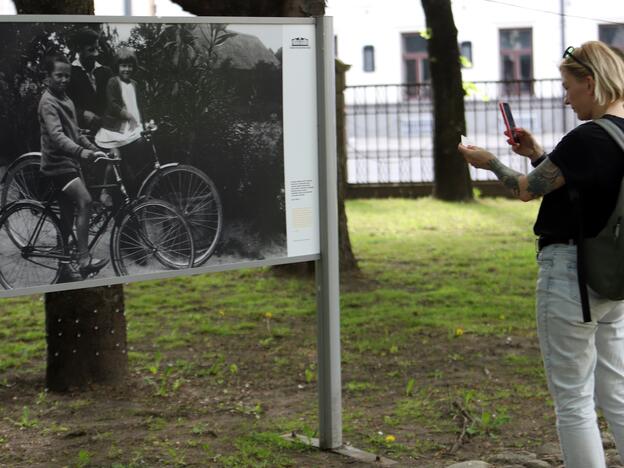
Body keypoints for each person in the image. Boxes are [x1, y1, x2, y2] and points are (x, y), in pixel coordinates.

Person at [458, 41, 624, 468]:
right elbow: (586, 186)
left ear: (591, 82)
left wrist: (490, 161)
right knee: (619, 392)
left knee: (573, 399)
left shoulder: (587, 136)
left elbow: (525, 189)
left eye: (568, 87)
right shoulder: (617, 135)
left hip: (571, 276)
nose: (565, 98)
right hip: (614, 276)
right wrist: (536, 154)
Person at [39, 53, 109, 281]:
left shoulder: (67, 99)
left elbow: (75, 132)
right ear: (48, 77)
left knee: (67, 219)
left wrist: (92, 147)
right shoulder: (47, 102)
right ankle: (84, 259)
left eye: (67, 76)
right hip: (57, 165)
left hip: (70, 163)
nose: (63, 80)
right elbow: (58, 137)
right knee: (86, 201)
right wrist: (81, 152)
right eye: (58, 75)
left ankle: (63, 271)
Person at [95, 47, 145, 200]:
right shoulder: (113, 82)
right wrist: (128, 116)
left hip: (131, 129)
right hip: (115, 129)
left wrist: (140, 120)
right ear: (117, 66)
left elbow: (137, 105)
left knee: (134, 159)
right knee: (115, 157)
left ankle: (131, 192)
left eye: (130, 66)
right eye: (123, 65)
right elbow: (113, 105)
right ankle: (104, 193)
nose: (127, 69)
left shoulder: (135, 84)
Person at [67, 27, 113, 133]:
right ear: (79, 49)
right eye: (91, 50)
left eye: (97, 49)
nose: (96, 54)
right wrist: (82, 114)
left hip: (106, 130)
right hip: (80, 133)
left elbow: (113, 101)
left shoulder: (106, 72)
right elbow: (64, 106)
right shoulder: (69, 73)